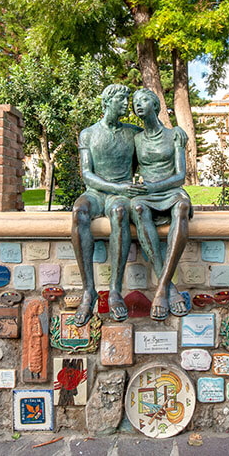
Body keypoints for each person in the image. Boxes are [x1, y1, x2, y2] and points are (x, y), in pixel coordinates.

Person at [71, 84, 144, 325]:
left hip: (119, 194)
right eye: (121, 100)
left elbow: (151, 152)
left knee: (121, 212)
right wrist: (117, 187)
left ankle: (114, 291)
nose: (126, 104)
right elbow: (86, 174)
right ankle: (88, 290)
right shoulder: (88, 134)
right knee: (79, 211)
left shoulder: (134, 133)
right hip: (96, 192)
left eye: (126, 100)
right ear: (107, 102)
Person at [129, 87, 193, 320]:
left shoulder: (174, 134)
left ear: (155, 106)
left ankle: (160, 288)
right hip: (147, 195)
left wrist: (154, 187)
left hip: (170, 189)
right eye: (135, 101)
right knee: (137, 207)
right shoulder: (136, 140)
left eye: (144, 99)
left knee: (182, 207)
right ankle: (169, 288)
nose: (138, 104)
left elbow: (181, 175)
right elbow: (128, 172)